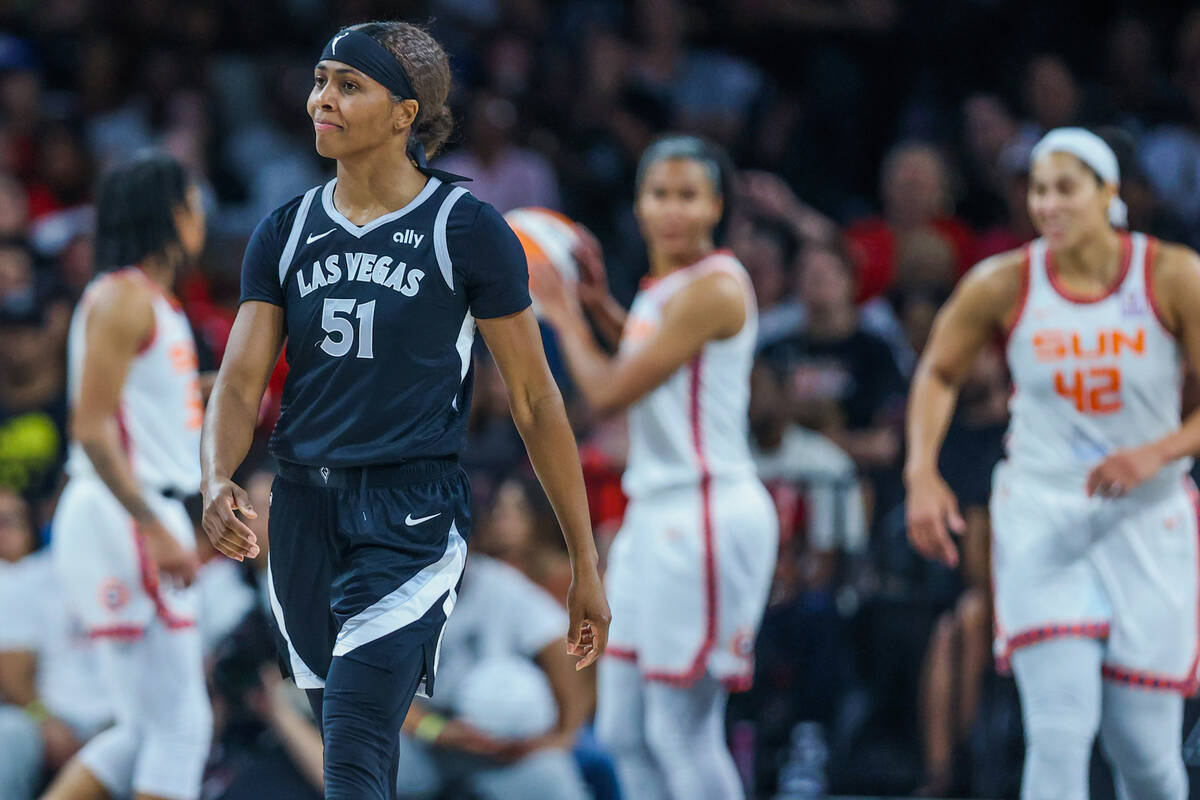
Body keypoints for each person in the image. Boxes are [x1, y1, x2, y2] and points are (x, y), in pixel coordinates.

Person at [199, 22, 609, 800]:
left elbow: (533, 397)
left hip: (409, 513)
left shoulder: (466, 228)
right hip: (302, 511)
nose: (322, 99)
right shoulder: (285, 231)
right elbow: (240, 379)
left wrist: (583, 561)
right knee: (354, 754)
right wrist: (217, 474)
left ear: (404, 115)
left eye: (348, 85)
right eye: (320, 80)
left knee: (353, 739)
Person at [905, 127, 1200, 800]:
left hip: (1146, 517)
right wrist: (921, 472)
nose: (1048, 204)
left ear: (1109, 194)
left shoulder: (1172, 274)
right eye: (1038, 190)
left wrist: (1154, 452)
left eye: (1066, 187)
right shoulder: (1005, 281)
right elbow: (939, 372)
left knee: (1146, 753)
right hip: (1043, 512)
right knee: (1060, 730)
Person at [533, 134, 778, 800]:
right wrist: (596, 306)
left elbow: (609, 391)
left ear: (716, 207)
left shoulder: (716, 289)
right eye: (659, 194)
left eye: (687, 195)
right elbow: (644, 346)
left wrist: (563, 319)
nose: (672, 209)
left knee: (682, 733)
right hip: (656, 516)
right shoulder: (663, 287)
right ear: (639, 205)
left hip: (705, 512)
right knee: (624, 731)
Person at [41, 153, 212, 800]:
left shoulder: (147, 301)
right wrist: (153, 526)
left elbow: (148, 405)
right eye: (196, 205)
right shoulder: (123, 297)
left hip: (132, 507)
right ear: (171, 214)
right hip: (128, 510)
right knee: (182, 728)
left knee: (144, 727)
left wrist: (220, 390)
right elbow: (90, 428)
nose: (203, 219)